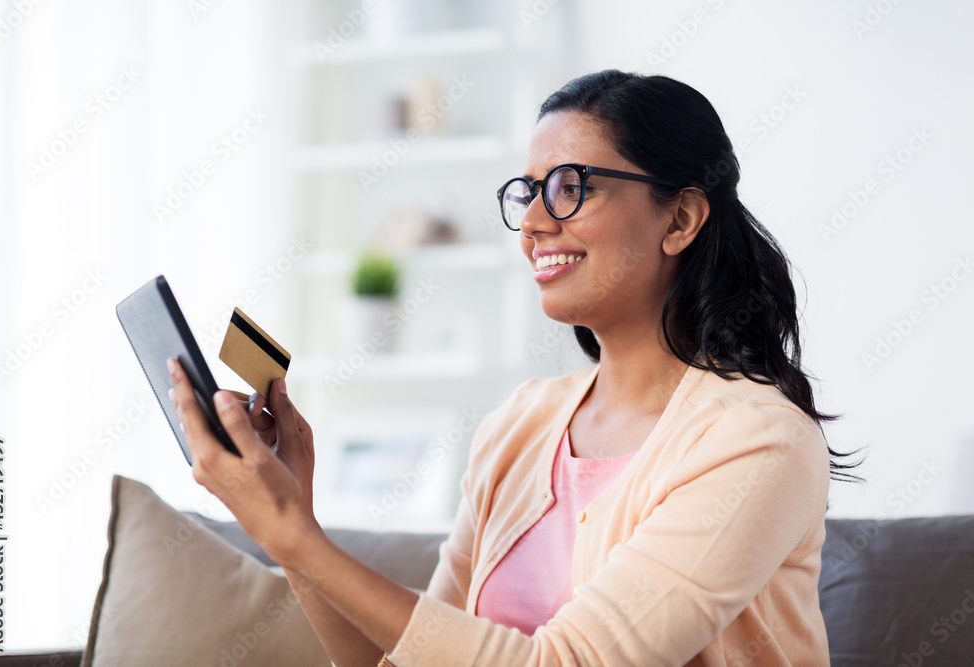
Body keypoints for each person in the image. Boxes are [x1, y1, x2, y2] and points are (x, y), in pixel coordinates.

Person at [168, 70, 857, 666]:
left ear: (678, 219)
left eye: (568, 186)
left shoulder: (760, 442)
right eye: (526, 192)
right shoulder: (521, 424)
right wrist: (295, 533)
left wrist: (290, 533)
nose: (531, 221)